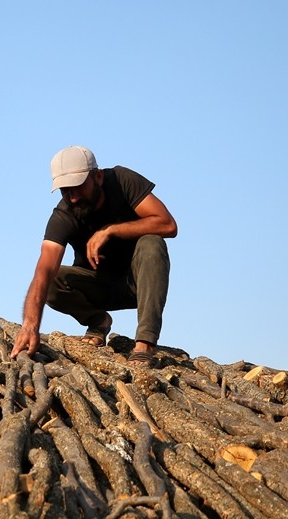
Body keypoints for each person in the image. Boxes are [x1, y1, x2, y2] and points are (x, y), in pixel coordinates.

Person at [11, 146, 177, 367]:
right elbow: (44, 270)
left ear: (98, 177)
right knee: (51, 279)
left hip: (140, 284)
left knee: (152, 242)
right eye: (65, 191)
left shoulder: (122, 181)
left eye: (78, 187)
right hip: (98, 287)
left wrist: (110, 230)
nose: (72, 197)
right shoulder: (64, 215)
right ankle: (98, 320)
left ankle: (144, 343)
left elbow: (167, 224)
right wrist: (30, 326)